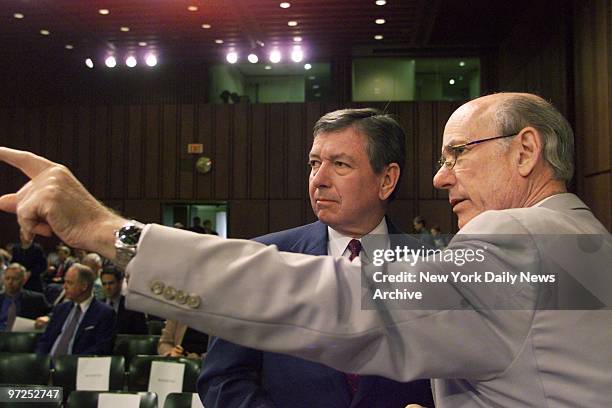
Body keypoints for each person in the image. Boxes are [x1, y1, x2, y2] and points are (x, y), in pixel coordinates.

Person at [0, 92, 611, 407]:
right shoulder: (583, 246)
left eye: (457, 153)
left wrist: (108, 232)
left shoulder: (521, 248)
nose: (441, 177)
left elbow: (323, 297)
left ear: (525, 151)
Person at [199, 108, 433, 408]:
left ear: (387, 179)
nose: (319, 179)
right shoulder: (262, 262)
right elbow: (221, 380)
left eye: (339, 164)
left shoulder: (435, 270)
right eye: (314, 164)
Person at [35, 263, 116, 356]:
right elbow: (45, 341)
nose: (64, 287)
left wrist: (69, 364)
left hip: (78, 366)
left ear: (84, 286)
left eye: (69, 283)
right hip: (47, 365)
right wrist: (39, 361)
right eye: (65, 282)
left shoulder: (104, 313)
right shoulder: (60, 309)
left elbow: (101, 349)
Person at [0, 263, 50, 331]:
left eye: (15, 279)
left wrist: (47, 318)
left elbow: (53, 313)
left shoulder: (36, 299)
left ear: (24, 280)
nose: (10, 282)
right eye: (7, 278)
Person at [100, 265, 148, 335]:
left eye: (111, 283)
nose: (107, 287)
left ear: (120, 283)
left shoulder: (133, 307)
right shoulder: (98, 306)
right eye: (104, 284)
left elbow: (141, 336)